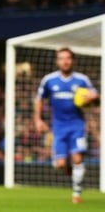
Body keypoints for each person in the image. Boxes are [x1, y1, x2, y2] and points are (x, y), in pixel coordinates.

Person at [34, 47, 99, 204]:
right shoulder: (49, 80)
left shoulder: (82, 80)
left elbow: (96, 99)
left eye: (68, 58)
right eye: (62, 58)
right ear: (57, 61)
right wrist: (38, 119)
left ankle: (76, 194)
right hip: (58, 127)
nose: (65, 61)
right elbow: (39, 99)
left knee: (77, 158)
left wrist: (93, 98)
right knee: (60, 164)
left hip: (77, 125)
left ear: (72, 60)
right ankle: (69, 169)